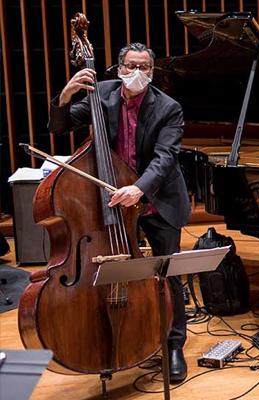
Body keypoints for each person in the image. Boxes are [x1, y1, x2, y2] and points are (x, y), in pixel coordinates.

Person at [48, 43, 191, 382]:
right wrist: (66, 94)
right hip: (112, 202)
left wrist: (139, 188)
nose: (136, 73)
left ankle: (173, 345)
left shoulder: (168, 108)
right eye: (129, 66)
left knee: (167, 274)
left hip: (157, 200)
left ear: (152, 72)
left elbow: (165, 158)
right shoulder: (103, 94)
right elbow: (59, 126)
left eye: (144, 67)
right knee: (115, 270)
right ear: (118, 68)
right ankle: (124, 336)